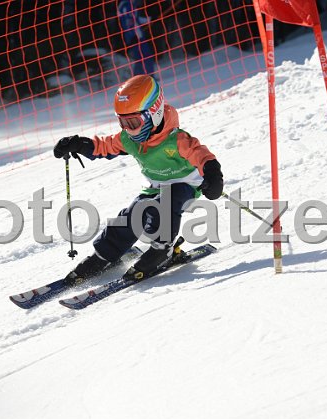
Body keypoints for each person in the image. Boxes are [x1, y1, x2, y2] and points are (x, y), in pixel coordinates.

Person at [54, 74, 223, 283]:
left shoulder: (176, 139)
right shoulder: (129, 138)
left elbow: (203, 155)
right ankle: (104, 255)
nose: (128, 129)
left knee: (162, 206)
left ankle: (163, 250)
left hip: (185, 185)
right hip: (154, 186)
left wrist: (213, 176)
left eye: (133, 122)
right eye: (123, 122)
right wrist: (79, 144)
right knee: (132, 214)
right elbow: (105, 146)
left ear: (155, 112)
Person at [117, 0, 157, 76]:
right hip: (134, 37)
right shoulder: (126, 6)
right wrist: (132, 36)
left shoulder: (132, 5)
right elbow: (126, 23)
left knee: (143, 56)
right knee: (143, 56)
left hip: (139, 35)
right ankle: (144, 76)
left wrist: (149, 19)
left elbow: (136, 20)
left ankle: (144, 75)